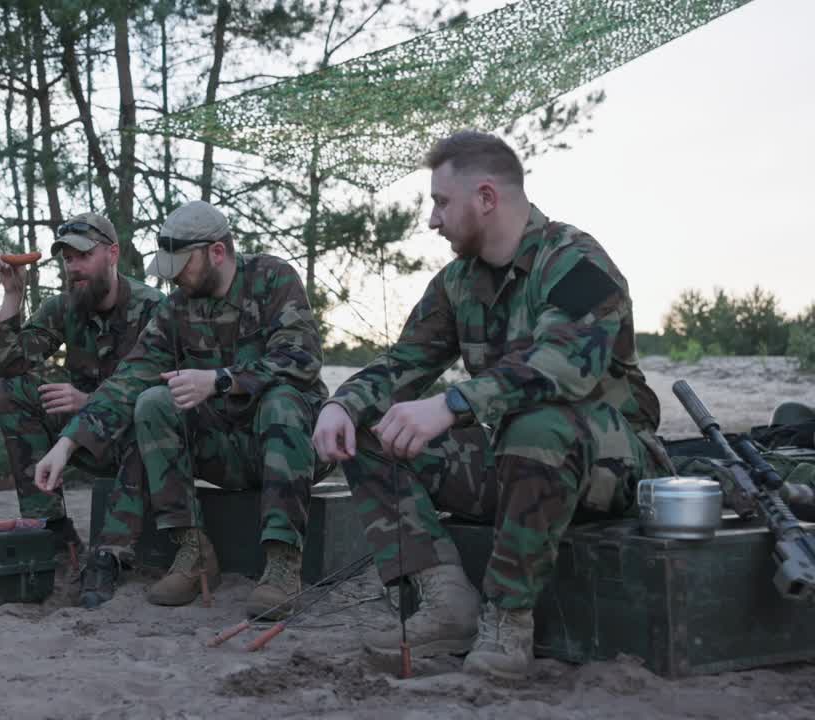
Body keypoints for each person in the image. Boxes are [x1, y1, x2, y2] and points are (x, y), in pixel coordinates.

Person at [312, 131, 664, 679]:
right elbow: (405, 362)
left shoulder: (576, 262)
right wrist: (343, 405)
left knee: (538, 424)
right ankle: (446, 602)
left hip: (608, 465)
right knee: (375, 433)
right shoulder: (458, 283)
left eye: (441, 202)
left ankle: (507, 620)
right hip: (515, 461)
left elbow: (561, 367)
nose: (432, 220)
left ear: (486, 197)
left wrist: (452, 404)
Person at [34, 200, 327, 618]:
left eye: (181, 265)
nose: (173, 277)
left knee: (282, 400)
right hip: (225, 449)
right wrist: (66, 444)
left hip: (291, 444)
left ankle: (282, 564)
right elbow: (129, 378)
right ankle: (193, 551)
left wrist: (220, 379)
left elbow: (301, 360)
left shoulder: (272, 278)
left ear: (217, 252)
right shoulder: (177, 306)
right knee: (153, 401)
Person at [0, 212, 164, 564]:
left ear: (113, 253)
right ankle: (52, 530)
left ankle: (113, 552)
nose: (74, 268)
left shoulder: (152, 307)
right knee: (13, 388)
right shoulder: (64, 306)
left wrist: (90, 401)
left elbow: (162, 392)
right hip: (82, 438)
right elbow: (7, 364)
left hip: (141, 441)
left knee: (151, 406)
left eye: (84, 256)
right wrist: (12, 297)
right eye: (68, 259)